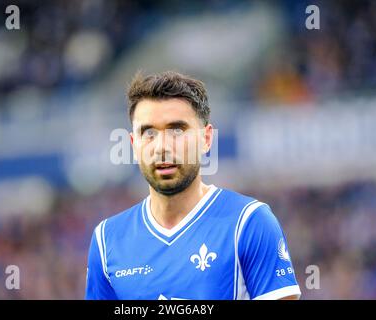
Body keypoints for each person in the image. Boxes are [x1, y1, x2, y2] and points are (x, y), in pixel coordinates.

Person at [85, 71, 301, 300]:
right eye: (148, 133)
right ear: (133, 144)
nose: (162, 147)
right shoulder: (107, 239)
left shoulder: (249, 222)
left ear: (206, 139)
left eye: (177, 130)